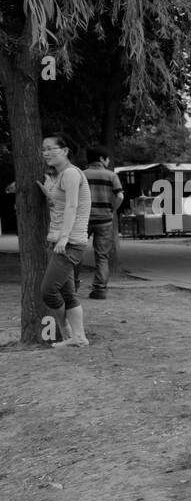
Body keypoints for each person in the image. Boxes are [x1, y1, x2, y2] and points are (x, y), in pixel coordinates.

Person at [38, 133, 91, 347]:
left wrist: (64, 237)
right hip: (64, 241)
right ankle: (79, 338)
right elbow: (61, 205)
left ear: (65, 150)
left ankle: (65, 331)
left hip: (70, 242)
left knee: (48, 291)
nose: (46, 153)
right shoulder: (61, 176)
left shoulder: (70, 173)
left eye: (51, 148)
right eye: (44, 149)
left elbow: (72, 206)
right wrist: (48, 192)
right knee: (68, 293)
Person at [83, 146, 123, 300]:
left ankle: (72, 285)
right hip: (104, 221)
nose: (109, 161)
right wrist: (112, 209)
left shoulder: (81, 174)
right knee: (102, 256)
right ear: (101, 158)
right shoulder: (111, 175)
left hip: (83, 220)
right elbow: (119, 196)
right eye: (107, 158)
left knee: (75, 252)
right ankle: (100, 289)